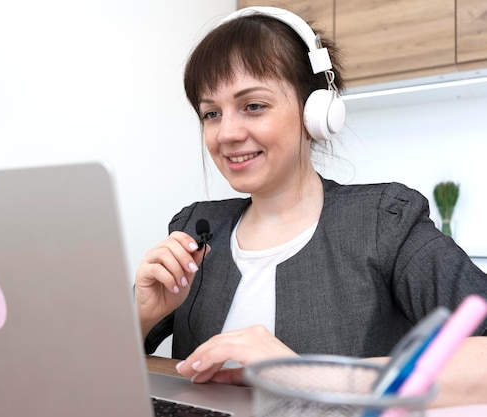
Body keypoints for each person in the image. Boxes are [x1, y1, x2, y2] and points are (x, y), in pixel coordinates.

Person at [134, 6, 487, 408]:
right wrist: (140, 315)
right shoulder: (196, 228)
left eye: (253, 106)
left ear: (315, 112)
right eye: (211, 113)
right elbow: (96, 361)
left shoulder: (384, 222)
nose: (226, 133)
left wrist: (300, 373)